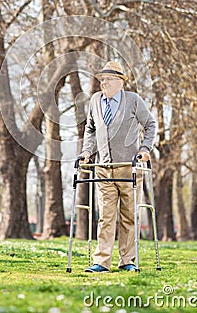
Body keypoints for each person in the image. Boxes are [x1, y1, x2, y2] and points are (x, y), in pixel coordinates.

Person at [80, 61, 157, 272]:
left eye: (107, 79)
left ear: (120, 82)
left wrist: (145, 149)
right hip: (104, 167)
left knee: (129, 215)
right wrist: (87, 151)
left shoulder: (133, 100)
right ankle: (101, 261)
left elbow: (150, 124)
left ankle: (127, 261)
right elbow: (91, 130)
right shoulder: (95, 100)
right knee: (105, 216)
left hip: (129, 168)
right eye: (101, 79)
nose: (103, 83)